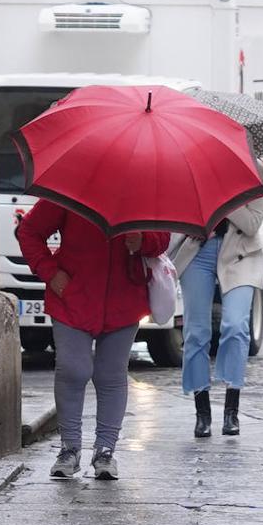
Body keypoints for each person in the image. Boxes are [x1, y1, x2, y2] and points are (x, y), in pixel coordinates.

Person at [17, 200, 169, 480]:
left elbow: (162, 240)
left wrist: (143, 241)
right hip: (73, 297)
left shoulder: (144, 191)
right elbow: (28, 231)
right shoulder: (70, 191)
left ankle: (105, 451)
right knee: (72, 369)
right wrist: (51, 274)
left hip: (124, 301)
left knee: (111, 375)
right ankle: (69, 449)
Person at [174, 198, 263, 438]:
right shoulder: (191, 166)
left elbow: (253, 224)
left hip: (241, 254)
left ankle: (231, 410)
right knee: (196, 332)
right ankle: (202, 412)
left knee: (236, 326)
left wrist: (226, 198)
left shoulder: (252, 170)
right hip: (198, 251)